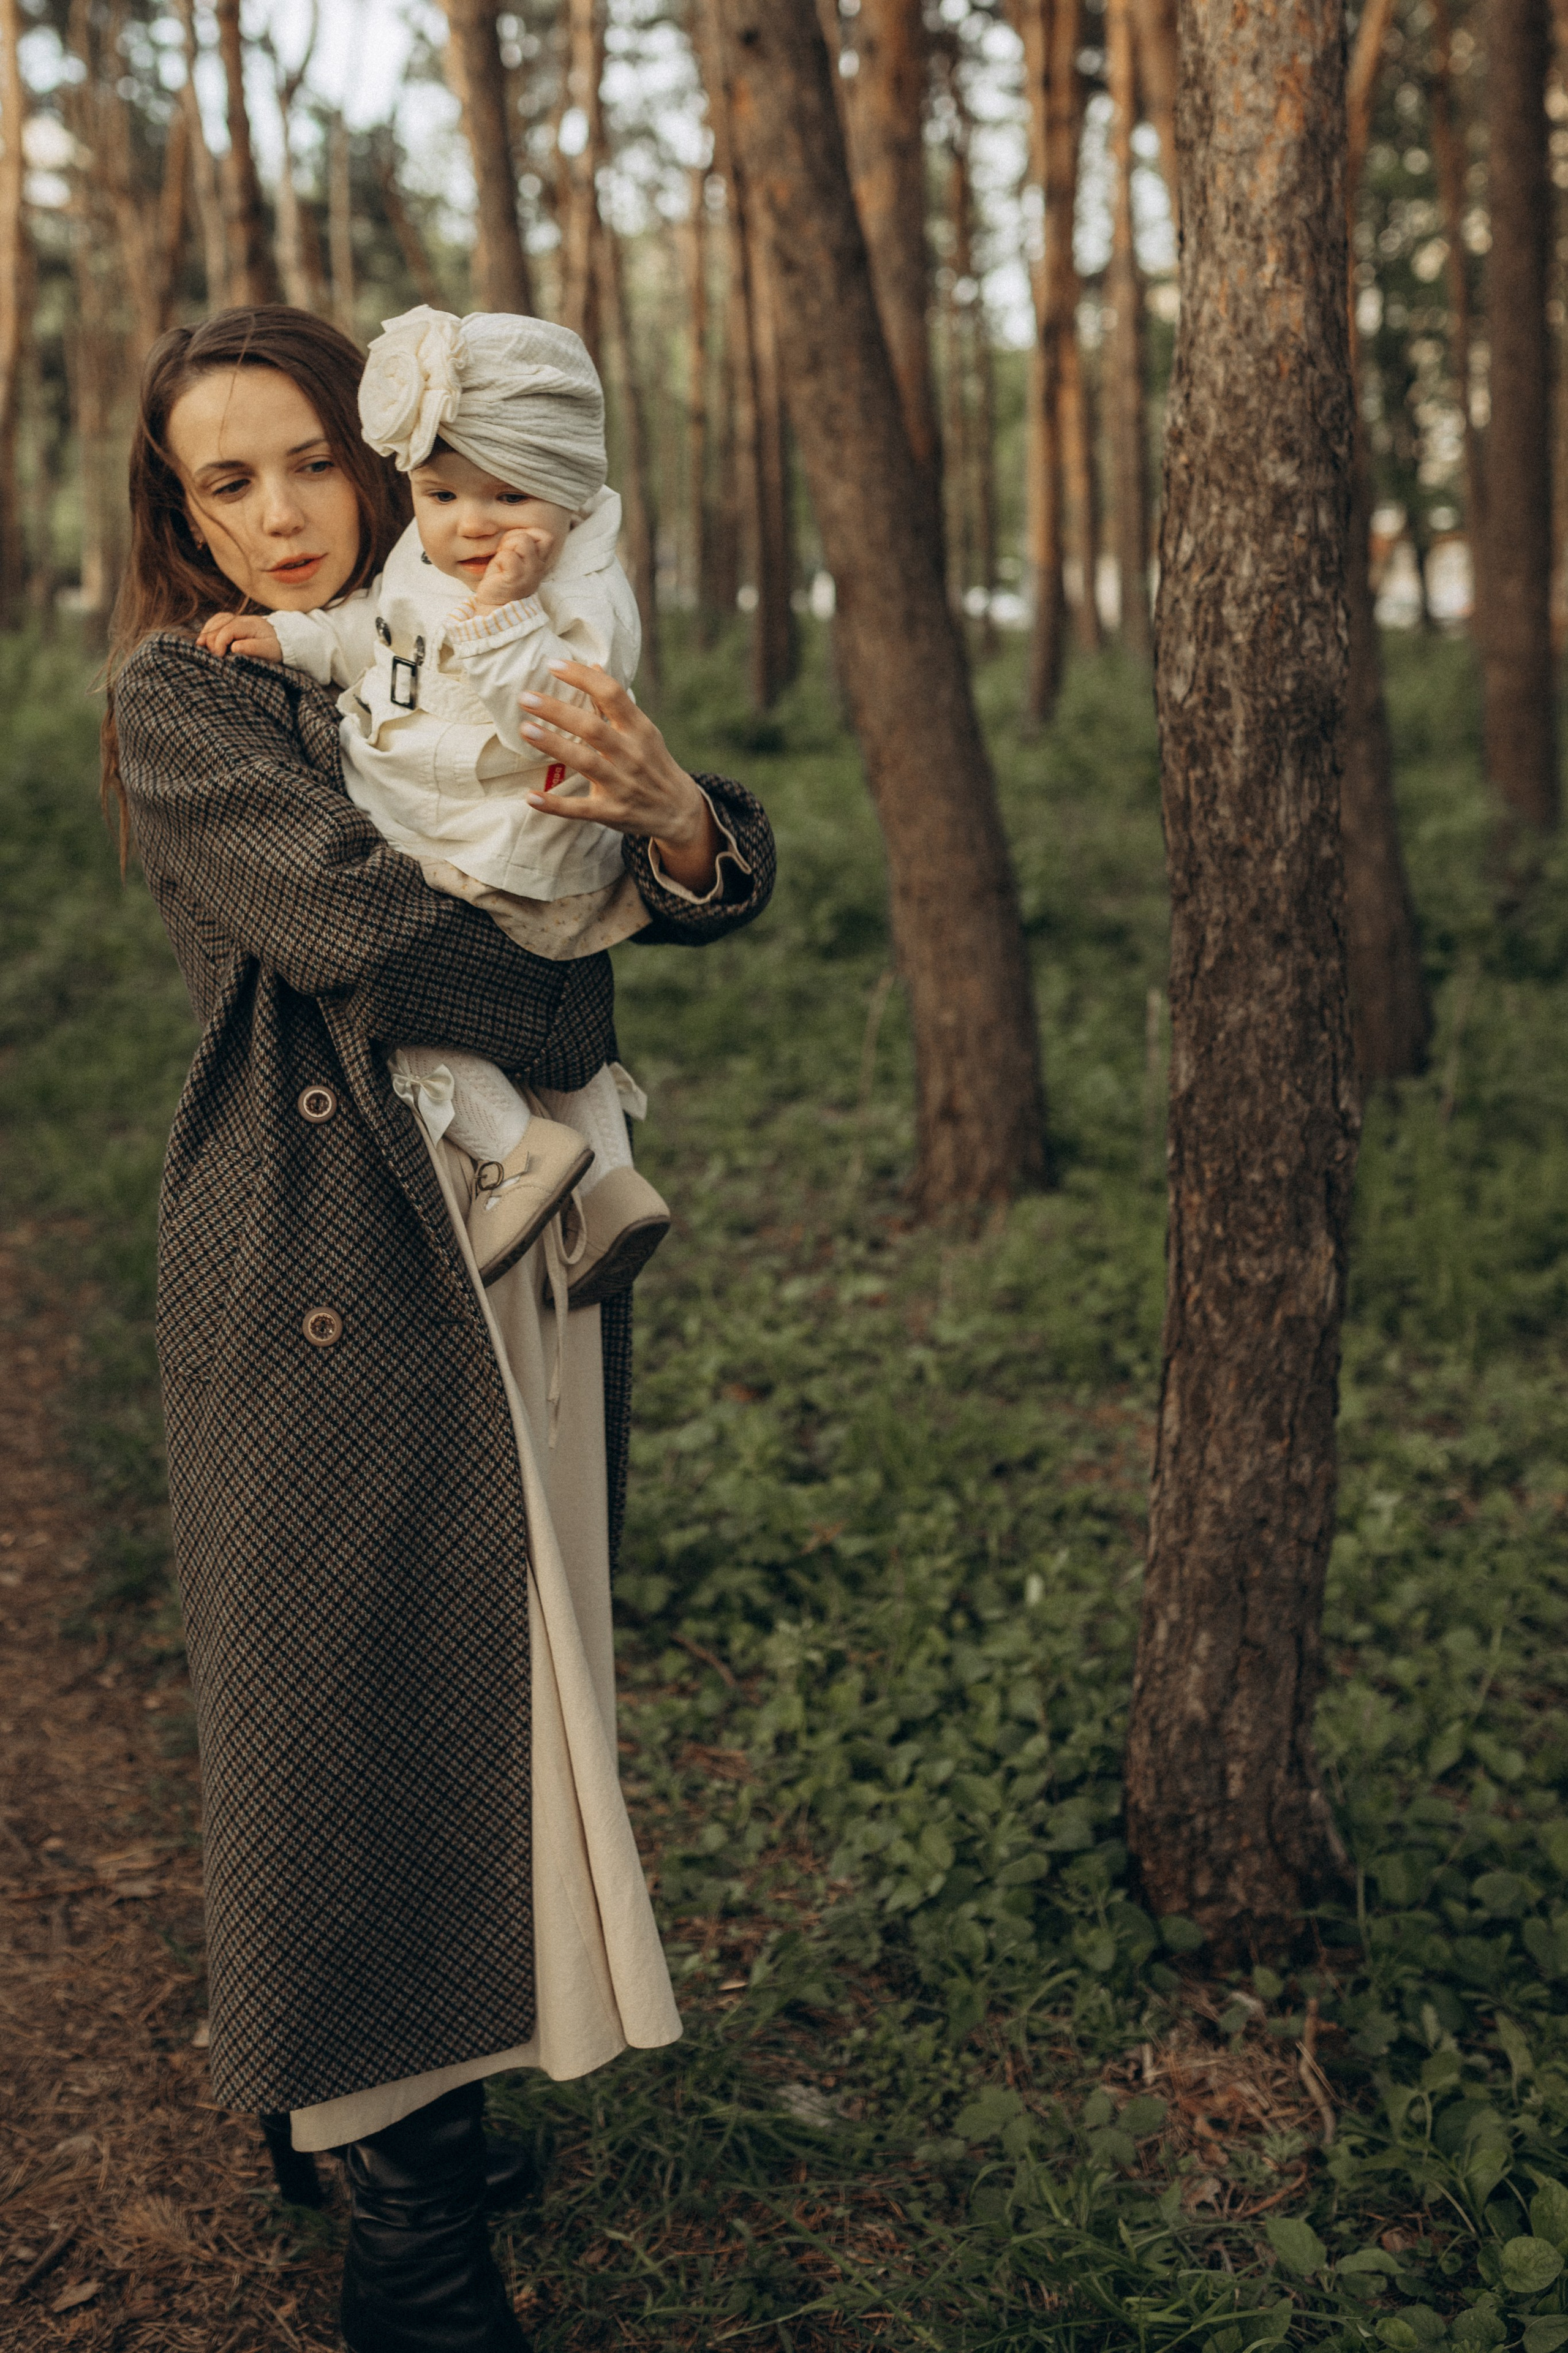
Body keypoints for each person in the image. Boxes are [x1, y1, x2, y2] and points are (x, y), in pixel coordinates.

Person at [102, 304, 775, 2353]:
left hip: (526, 1234)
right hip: (320, 1241)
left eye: (314, 460)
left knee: (510, 1680)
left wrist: (682, 825)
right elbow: (368, 930)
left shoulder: (485, 594)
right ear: (185, 519)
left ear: (391, 454)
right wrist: (597, 972)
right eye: (232, 483)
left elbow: (706, 844)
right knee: (343, 1705)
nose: (286, 516)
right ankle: (409, 2218)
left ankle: (409, 2103)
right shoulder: (178, 698)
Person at [196, 308, 669, 1307]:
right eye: (442, 494)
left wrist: (504, 613)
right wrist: (298, 641)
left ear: (571, 493)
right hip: (490, 854)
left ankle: (517, 1151)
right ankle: (613, 1184)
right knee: (552, 1004)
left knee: (404, 1003)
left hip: (492, 846)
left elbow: (563, 709)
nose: (471, 523)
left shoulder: (572, 590)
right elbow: (385, 635)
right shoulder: (423, 561)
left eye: (507, 493)